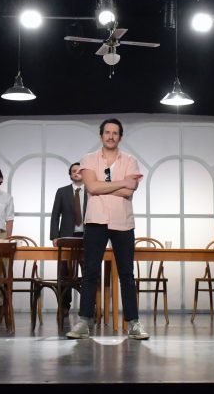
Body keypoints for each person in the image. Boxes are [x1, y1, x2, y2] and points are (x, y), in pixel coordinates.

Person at [66, 118, 148, 340]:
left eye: (115, 133)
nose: (111, 136)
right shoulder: (88, 159)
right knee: (90, 271)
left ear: (120, 137)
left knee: (127, 274)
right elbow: (92, 187)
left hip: (123, 222)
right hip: (96, 221)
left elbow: (129, 191)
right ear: (101, 135)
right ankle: (84, 321)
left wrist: (104, 186)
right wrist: (120, 183)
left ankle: (133, 323)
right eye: (107, 132)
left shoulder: (130, 161)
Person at [50, 162, 88, 315]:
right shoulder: (62, 191)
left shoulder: (91, 191)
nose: (76, 173)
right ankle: (64, 306)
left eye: (79, 170)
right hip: (66, 237)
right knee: (64, 272)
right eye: (73, 171)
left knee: (88, 271)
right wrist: (54, 236)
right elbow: (55, 215)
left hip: (87, 237)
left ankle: (89, 307)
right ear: (70, 175)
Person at [0, 167, 14, 310]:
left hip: (0, 234)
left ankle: (1, 304)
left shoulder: (6, 197)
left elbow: (9, 219)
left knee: (2, 269)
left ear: (0, 179)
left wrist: (8, 238)